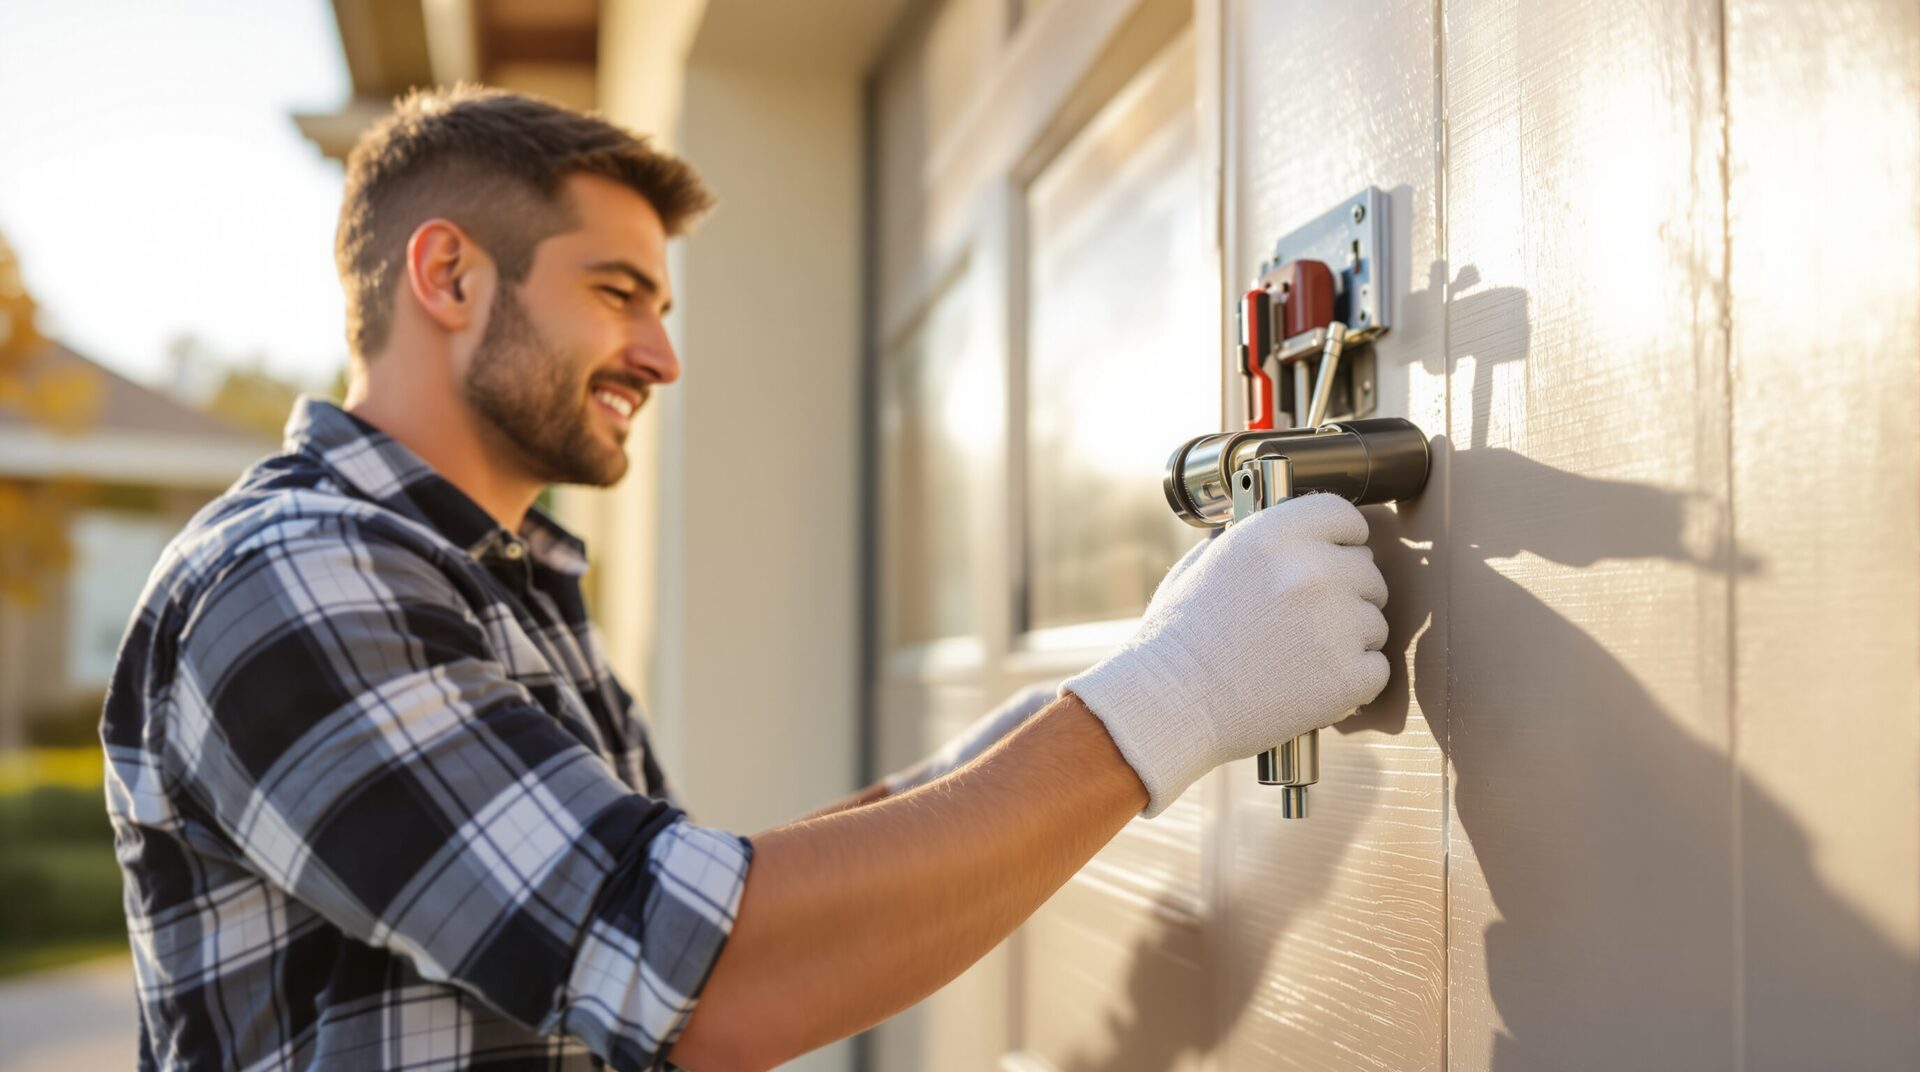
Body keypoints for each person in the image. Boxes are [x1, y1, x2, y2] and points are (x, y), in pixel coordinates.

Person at [102, 85, 1391, 1072]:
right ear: (448, 276)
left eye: (660, 308)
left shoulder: (490, 579)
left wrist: (1043, 730)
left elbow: (672, 898)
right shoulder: (294, 578)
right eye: (619, 293)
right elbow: (698, 976)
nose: (660, 356)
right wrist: (1178, 695)